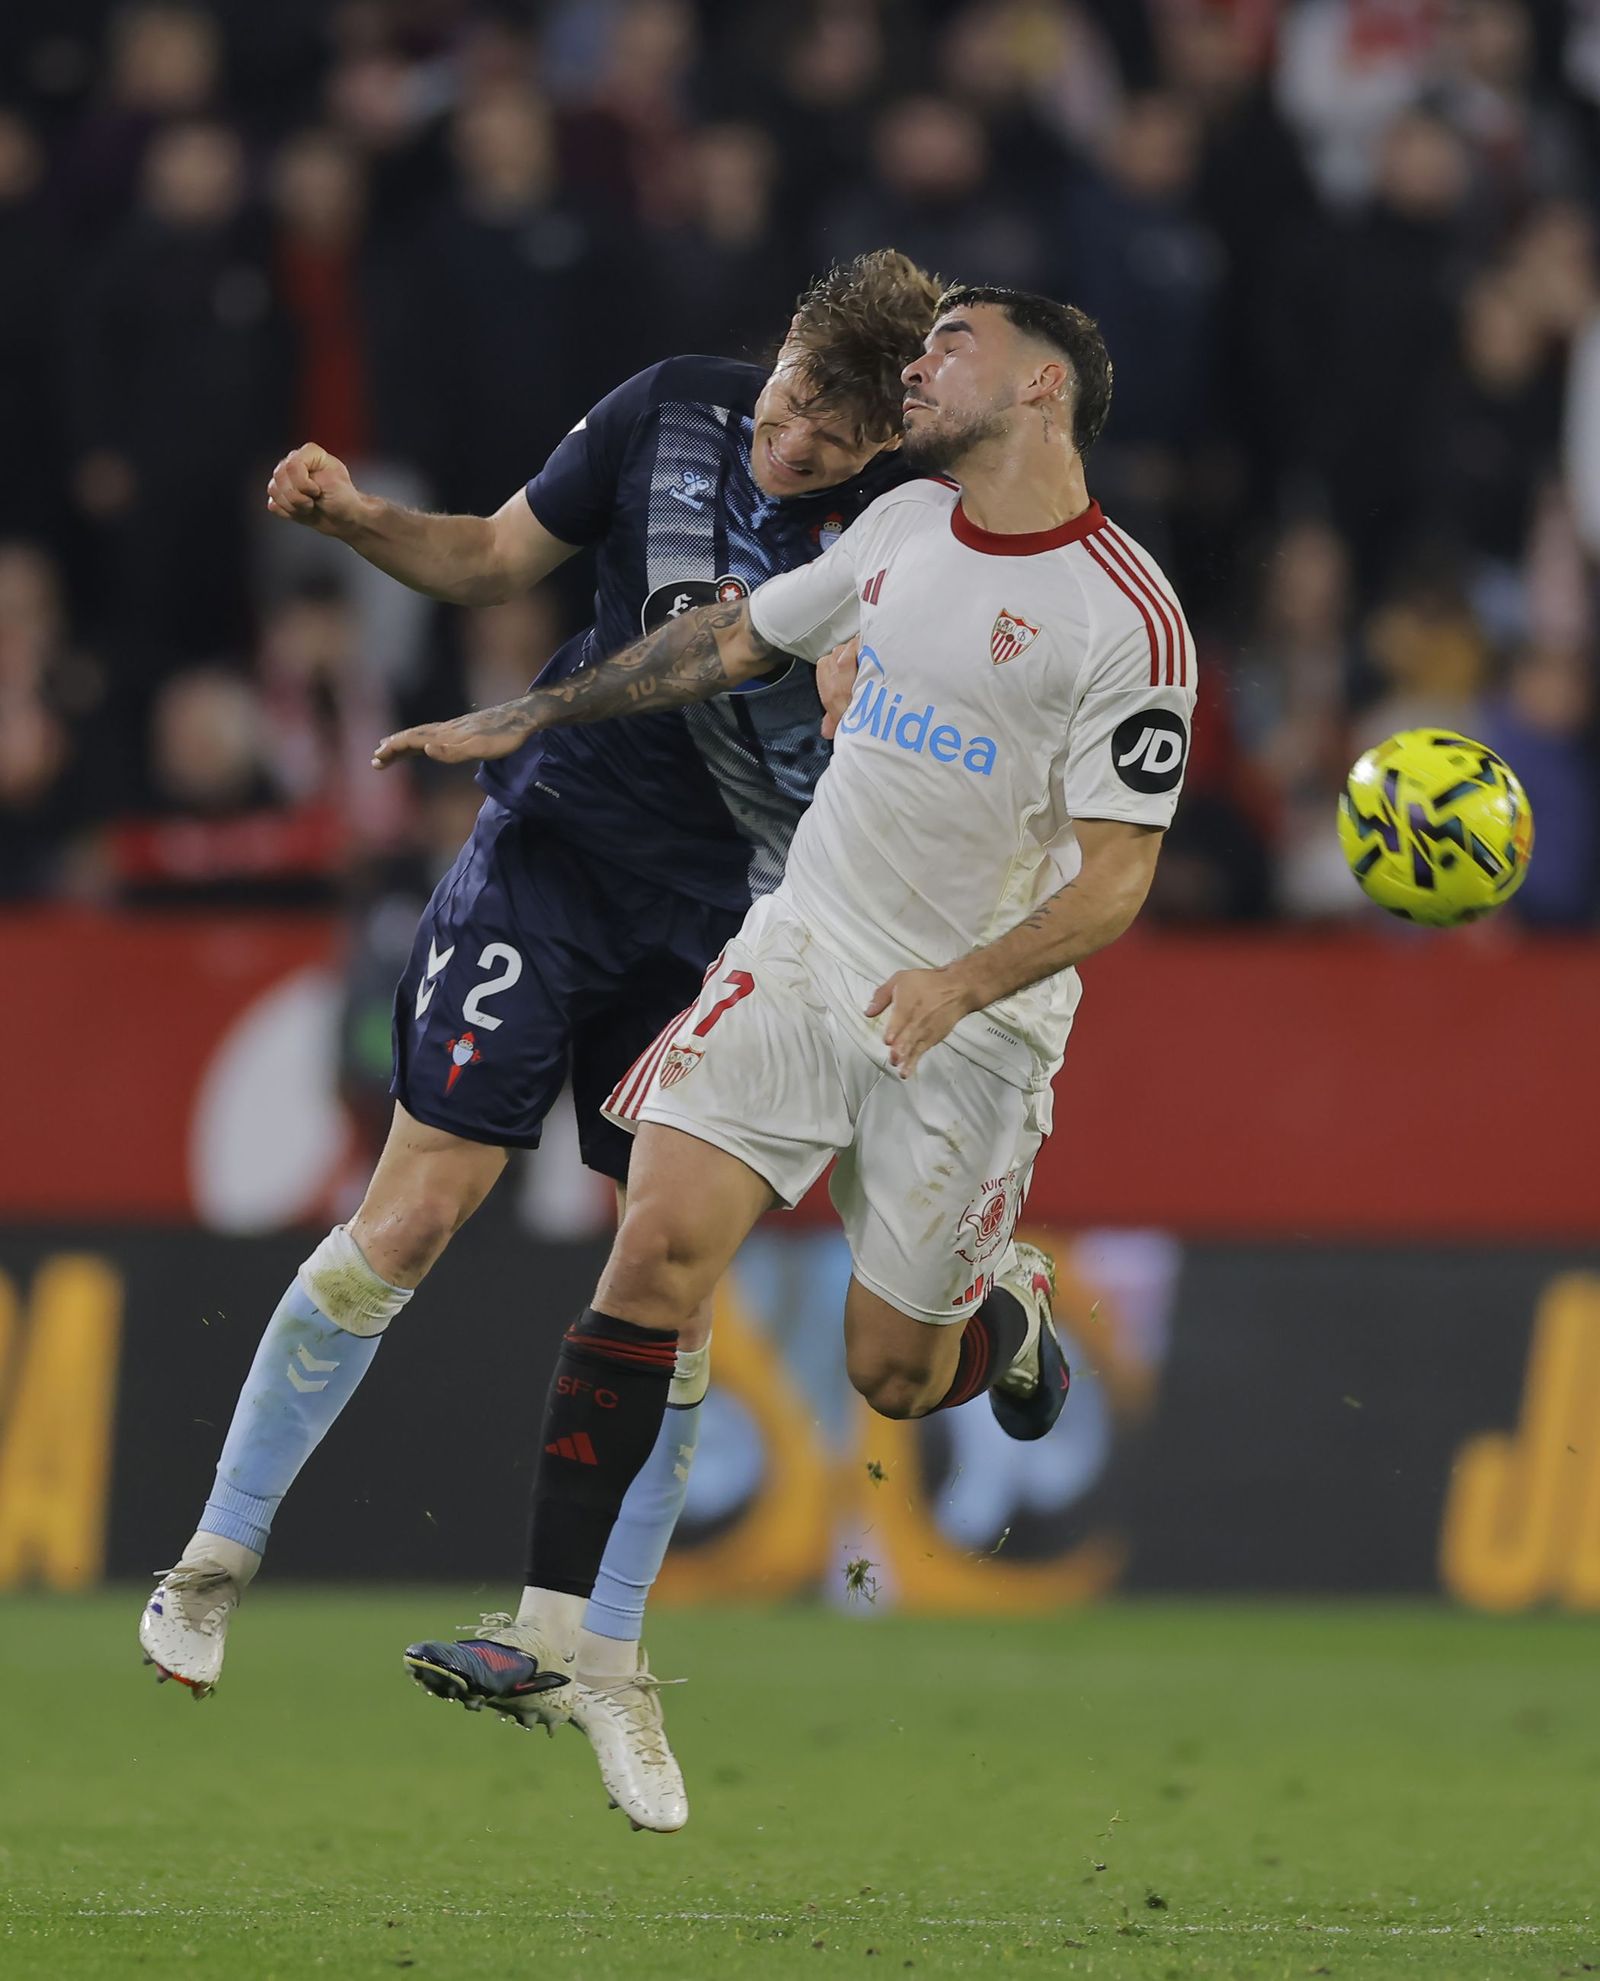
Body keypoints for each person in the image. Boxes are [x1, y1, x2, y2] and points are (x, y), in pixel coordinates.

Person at [138, 251, 943, 1835]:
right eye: (791, 401)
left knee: (672, 1278)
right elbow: (498, 554)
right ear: (780, 350)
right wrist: (356, 519)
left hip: (727, 919)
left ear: (885, 442)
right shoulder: (674, 409)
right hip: (553, 858)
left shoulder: (908, 542)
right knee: (414, 1213)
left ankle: (610, 1658)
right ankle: (216, 1554)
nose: (791, 444)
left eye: (833, 439)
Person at [378, 284, 1196, 1809]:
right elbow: (733, 639)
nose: (921, 366)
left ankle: (1003, 1320)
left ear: (1040, 390)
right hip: (804, 949)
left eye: (955, 343)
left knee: (892, 1370)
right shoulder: (895, 530)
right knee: (656, 1246)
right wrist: (536, 715)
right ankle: (551, 1636)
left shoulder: (1127, 618)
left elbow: (1117, 879)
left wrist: (963, 980)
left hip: (976, 1025)